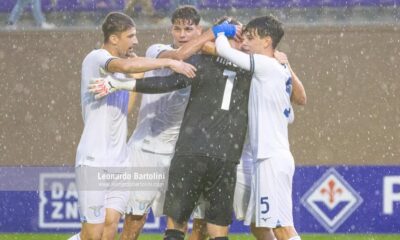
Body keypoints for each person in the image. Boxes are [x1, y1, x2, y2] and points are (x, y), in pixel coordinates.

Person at [68, 12, 196, 240]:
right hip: (94, 161)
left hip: (120, 161)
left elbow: (125, 110)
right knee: (92, 235)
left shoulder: (117, 77)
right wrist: (169, 62)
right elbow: (125, 66)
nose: (136, 41)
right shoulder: (96, 58)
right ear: (114, 39)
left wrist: (131, 81)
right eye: (131, 36)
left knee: (109, 230)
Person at [119, 6, 208, 240]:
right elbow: (178, 57)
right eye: (177, 29)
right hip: (144, 150)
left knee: (179, 220)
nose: (182, 34)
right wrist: (213, 35)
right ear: (171, 30)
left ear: (198, 30)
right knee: (134, 220)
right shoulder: (157, 50)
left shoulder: (203, 66)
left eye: (189, 29)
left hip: (178, 153)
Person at [214, 15, 305, 240]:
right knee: (259, 224)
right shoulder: (279, 70)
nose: (246, 43)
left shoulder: (265, 64)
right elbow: (293, 111)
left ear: (266, 42)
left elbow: (224, 51)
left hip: (270, 159)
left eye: (251, 38)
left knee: (282, 228)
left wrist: (221, 31)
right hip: (271, 157)